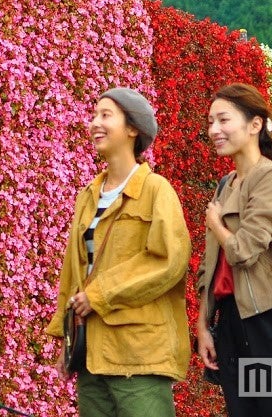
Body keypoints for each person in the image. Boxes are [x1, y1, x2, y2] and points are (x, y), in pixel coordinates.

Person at [47, 87, 192, 417]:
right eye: (94, 114)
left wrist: (98, 295)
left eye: (106, 115)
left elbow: (168, 261)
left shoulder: (156, 190)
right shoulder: (88, 195)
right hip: (90, 354)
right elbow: (75, 271)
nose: (95, 123)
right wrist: (66, 337)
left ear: (132, 129)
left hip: (138, 354)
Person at [195, 83, 272, 417]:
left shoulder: (271, 178)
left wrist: (217, 224)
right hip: (233, 321)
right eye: (210, 122)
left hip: (270, 322)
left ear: (255, 125)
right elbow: (211, 267)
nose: (214, 130)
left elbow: (244, 251)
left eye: (223, 120)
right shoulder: (225, 184)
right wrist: (204, 326)